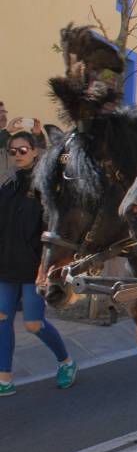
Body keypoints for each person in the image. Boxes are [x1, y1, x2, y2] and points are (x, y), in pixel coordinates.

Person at [0, 132, 77, 396]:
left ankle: (66, 362)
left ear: (35, 151)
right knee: (1, 321)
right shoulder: (6, 188)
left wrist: (46, 269)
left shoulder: (45, 189)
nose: (17, 155)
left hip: (34, 268)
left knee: (33, 324)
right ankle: (4, 378)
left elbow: (50, 231)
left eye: (22, 150)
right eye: (12, 151)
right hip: (5, 268)